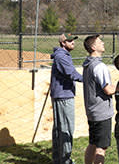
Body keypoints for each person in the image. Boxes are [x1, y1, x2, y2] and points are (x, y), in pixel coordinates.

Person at [82, 35, 116, 164]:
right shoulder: (99, 66)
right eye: (99, 42)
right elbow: (108, 90)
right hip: (101, 113)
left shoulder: (87, 64)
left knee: (93, 143)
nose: (103, 43)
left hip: (92, 111)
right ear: (93, 47)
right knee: (101, 148)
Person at [50, 33, 83, 164]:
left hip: (62, 94)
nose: (73, 42)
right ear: (63, 43)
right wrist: (88, 79)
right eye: (69, 41)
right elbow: (71, 73)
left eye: (73, 40)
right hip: (63, 96)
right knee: (65, 129)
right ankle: (65, 161)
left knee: (60, 128)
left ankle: (58, 160)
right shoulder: (61, 57)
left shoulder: (62, 55)